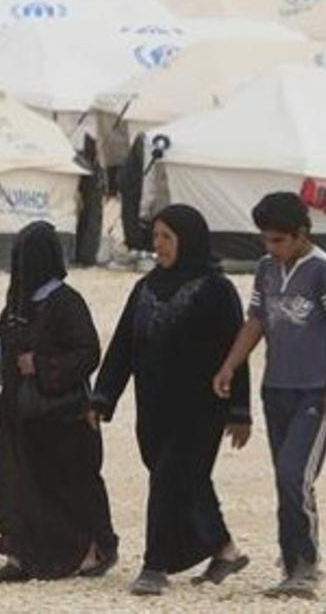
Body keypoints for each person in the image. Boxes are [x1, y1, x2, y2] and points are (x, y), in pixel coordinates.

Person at [90, 204, 252, 596]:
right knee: (186, 478)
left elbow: (237, 352)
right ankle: (223, 548)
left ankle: (155, 565)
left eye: (167, 237)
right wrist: (102, 398)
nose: (158, 245)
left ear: (188, 241)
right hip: (154, 407)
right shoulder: (145, 288)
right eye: (156, 236)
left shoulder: (216, 289)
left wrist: (240, 410)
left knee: (168, 478)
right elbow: (123, 347)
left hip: (201, 407)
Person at [213, 192, 326, 599]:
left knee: (296, 476)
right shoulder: (265, 269)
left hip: (314, 390)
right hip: (276, 389)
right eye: (266, 240)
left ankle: (307, 565)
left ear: (301, 234)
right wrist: (230, 365)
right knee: (284, 480)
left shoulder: (325, 270)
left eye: (278, 240)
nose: (271, 247)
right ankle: (291, 562)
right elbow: (256, 320)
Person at [0, 221, 119, 583]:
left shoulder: (65, 302)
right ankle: (24, 554)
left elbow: (88, 351)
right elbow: (2, 344)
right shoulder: (17, 303)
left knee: (70, 485)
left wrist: (41, 365)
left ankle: (91, 550)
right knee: (22, 485)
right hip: (20, 414)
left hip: (61, 415)